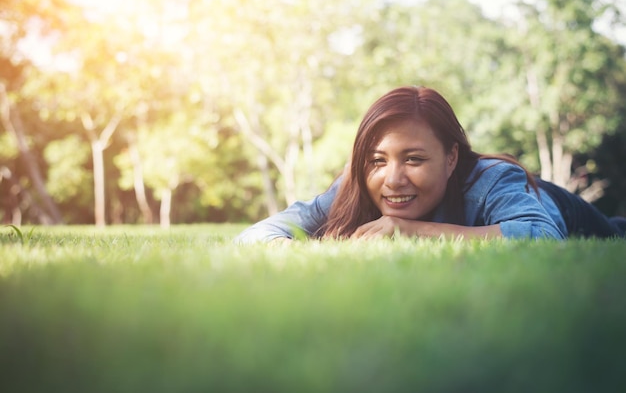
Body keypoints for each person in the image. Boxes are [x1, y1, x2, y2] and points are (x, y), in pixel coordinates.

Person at [235, 86, 626, 243]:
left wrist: (406, 228)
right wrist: (288, 250)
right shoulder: (356, 187)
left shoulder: (492, 180)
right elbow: (255, 235)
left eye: (414, 159)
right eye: (377, 160)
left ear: (451, 157)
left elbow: (542, 237)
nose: (392, 179)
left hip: (593, 225)